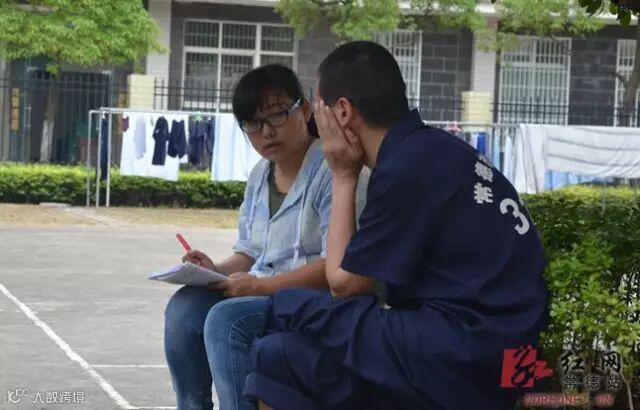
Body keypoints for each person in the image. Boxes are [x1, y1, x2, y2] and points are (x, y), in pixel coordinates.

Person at [242, 42, 550, 410]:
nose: (317, 125)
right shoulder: (434, 149)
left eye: (320, 111)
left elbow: (344, 284)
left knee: (287, 308)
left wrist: (342, 174)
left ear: (343, 112)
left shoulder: (405, 168)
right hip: (483, 342)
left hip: (469, 350)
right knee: (278, 354)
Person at [163, 63, 368, 410]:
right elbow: (249, 252)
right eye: (253, 124)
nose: (266, 132)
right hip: (263, 292)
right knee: (184, 308)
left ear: (305, 110)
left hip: (314, 301)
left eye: (276, 116)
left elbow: (339, 266)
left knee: (226, 321)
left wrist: (261, 286)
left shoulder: (334, 170)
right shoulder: (260, 175)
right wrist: (214, 270)